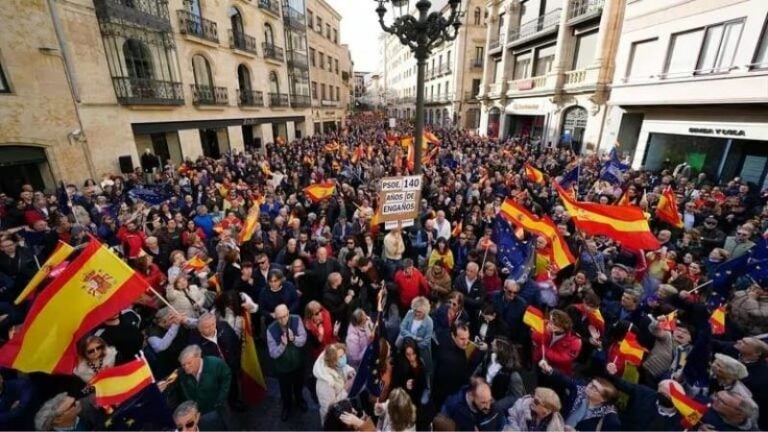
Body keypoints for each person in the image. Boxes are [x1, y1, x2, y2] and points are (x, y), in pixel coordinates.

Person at [539, 361, 622, 431]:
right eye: (591, 383)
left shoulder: (609, 418)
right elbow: (565, 379)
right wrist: (549, 370)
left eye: (595, 388)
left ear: (603, 399)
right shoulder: (580, 390)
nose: (589, 386)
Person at [267, 304, 308, 421]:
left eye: (285, 316)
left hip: (298, 363)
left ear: (288, 313)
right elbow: (273, 353)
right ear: (275, 316)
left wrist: (294, 338)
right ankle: (287, 407)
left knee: (299, 386)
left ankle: (300, 400)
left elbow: (303, 338)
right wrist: (283, 345)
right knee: (285, 390)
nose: (283, 320)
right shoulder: (270, 329)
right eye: (279, 317)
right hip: (283, 368)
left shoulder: (296, 319)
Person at [177, 344, 230, 426]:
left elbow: (226, 379)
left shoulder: (216, 363)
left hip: (219, 408)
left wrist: (221, 400)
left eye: (189, 363)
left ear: (198, 357)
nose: (186, 367)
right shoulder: (183, 374)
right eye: (183, 365)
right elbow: (186, 393)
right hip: (200, 414)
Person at [313, 342, 356, 425]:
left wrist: (349, 371)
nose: (343, 358)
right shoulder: (324, 383)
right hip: (333, 420)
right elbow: (330, 408)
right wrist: (345, 389)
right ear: (332, 360)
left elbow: (344, 367)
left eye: (343, 355)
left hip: (344, 410)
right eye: (340, 357)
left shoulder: (337, 365)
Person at [433, 322, 472, 409]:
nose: (466, 342)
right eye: (462, 339)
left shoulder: (447, 338)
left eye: (468, 338)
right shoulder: (452, 361)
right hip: (446, 396)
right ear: (453, 336)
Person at [532, 309, 582, 377]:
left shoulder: (575, 341)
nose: (550, 324)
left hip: (556, 370)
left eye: (553, 323)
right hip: (539, 362)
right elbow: (535, 337)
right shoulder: (545, 324)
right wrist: (546, 332)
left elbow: (564, 358)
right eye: (550, 320)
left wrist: (544, 350)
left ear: (562, 326)